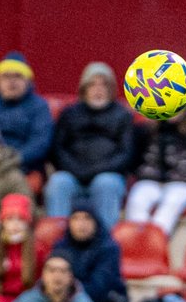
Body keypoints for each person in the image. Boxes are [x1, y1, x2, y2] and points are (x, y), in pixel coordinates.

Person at [44, 62, 134, 224]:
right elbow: (57, 149)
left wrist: (96, 171)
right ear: (83, 89)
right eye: (92, 84)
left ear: (111, 89)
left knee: (106, 184)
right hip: (72, 174)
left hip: (107, 174)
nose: (98, 89)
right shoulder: (69, 114)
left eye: (103, 85)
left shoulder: (123, 116)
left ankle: (104, 243)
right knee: (58, 182)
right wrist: (76, 170)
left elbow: (126, 154)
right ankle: (57, 240)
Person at [125, 104, 186, 236]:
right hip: (149, 180)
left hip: (182, 183)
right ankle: (139, 241)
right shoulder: (143, 130)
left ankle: (156, 243)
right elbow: (132, 160)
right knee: (137, 202)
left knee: (171, 204)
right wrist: (141, 172)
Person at [48, 202, 127, 302]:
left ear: (96, 222)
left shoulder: (109, 248)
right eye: (76, 218)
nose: (81, 224)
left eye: (87, 218)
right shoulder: (60, 246)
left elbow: (98, 290)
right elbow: (49, 280)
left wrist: (65, 289)